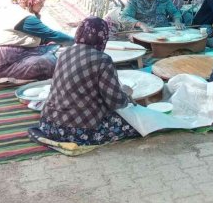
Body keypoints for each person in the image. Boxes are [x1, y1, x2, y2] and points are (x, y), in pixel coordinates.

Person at [39, 17, 140, 145]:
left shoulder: (64, 53)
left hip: (48, 124)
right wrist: (125, 94)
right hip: (78, 131)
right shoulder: (102, 60)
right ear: (103, 36)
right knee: (134, 124)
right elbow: (115, 102)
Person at [0, 0, 73, 80]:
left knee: (52, 49)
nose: (42, 5)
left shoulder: (13, 10)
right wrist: (76, 41)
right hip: (4, 66)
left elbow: (43, 38)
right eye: (40, 2)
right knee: (52, 62)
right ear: (30, 1)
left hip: (5, 59)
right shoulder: (25, 18)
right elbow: (51, 34)